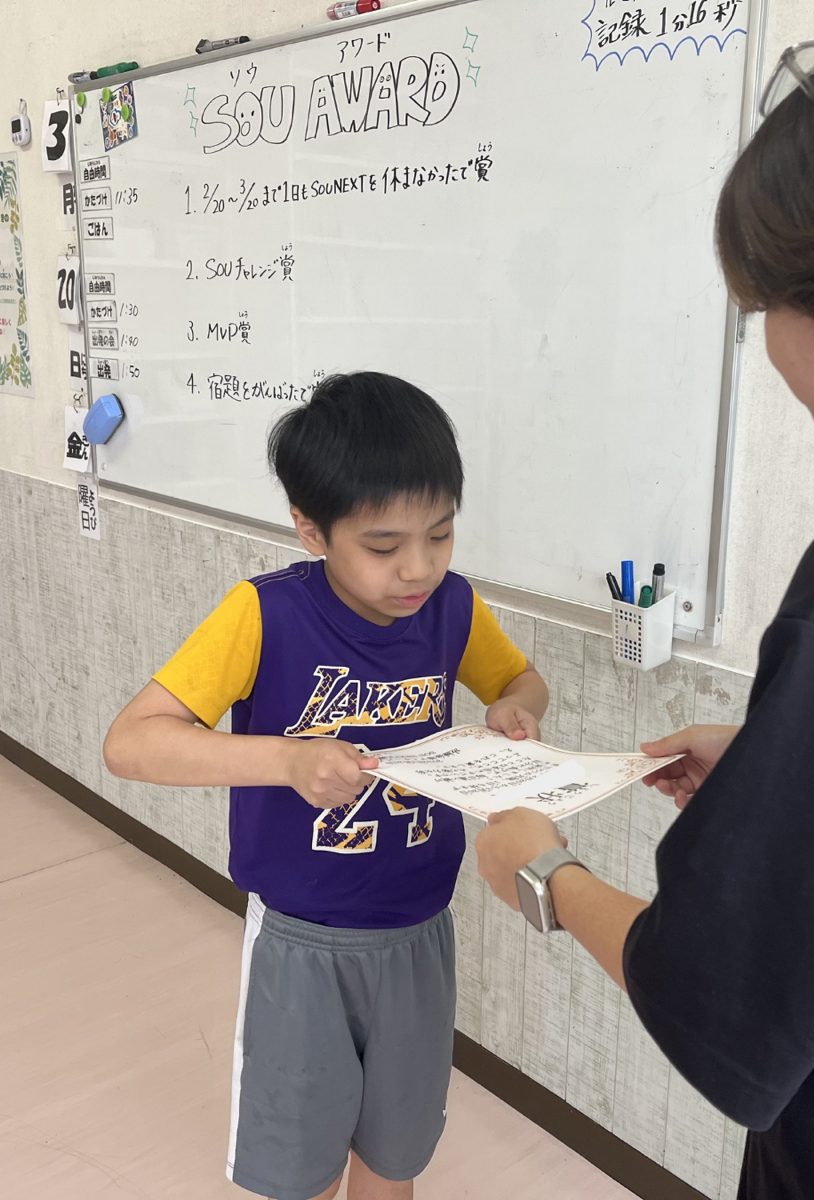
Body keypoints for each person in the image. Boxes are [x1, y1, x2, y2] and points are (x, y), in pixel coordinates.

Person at [476, 8, 814, 1198]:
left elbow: (729, 1003)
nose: (765, 347)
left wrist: (544, 875)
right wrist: (796, 762)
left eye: (761, 312)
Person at [104, 371, 548, 1200]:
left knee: (394, 1157)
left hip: (420, 932)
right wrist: (285, 760)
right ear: (311, 528)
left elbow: (522, 682)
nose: (418, 568)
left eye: (441, 534)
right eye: (383, 546)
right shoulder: (263, 614)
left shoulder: (452, 607)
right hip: (300, 943)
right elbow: (131, 744)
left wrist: (516, 712)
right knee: (299, 1171)